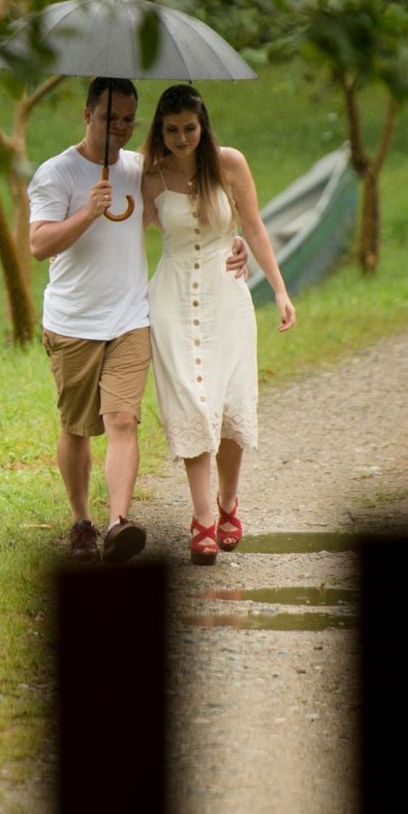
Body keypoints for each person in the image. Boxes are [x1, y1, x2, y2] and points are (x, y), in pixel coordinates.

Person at [28, 78, 248, 562]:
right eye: (111, 118)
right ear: (88, 116)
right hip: (73, 322)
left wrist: (230, 244)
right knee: (77, 428)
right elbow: (39, 244)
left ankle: (117, 523)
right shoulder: (56, 174)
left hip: (130, 318)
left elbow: (183, 219)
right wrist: (88, 212)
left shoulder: (139, 169)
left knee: (124, 419)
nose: (122, 127)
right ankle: (82, 519)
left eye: (129, 118)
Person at [139, 84, 295, 565]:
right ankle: (203, 517)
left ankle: (229, 503)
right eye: (171, 130)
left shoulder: (230, 164)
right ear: (160, 131)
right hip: (172, 298)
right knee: (191, 401)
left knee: (228, 404)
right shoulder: (150, 174)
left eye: (189, 128)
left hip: (226, 296)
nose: (181, 138)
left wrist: (280, 288)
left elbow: (253, 226)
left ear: (202, 126)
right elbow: (126, 233)